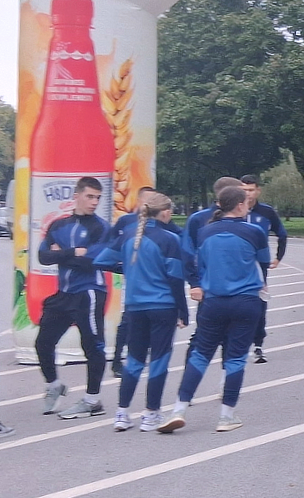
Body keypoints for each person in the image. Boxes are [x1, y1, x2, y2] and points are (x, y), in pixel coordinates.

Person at [163, 184, 269, 435]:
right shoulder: (254, 232)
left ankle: (179, 408)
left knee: (200, 354)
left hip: (213, 301)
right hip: (245, 301)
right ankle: (226, 415)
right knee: (235, 358)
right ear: (241, 205)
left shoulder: (205, 232)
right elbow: (263, 262)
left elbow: (198, 262)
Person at [93, 190, 189, 432]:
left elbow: (101, 261)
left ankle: (122, 413)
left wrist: (129, 270)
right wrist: (183, 310)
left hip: (135, 306)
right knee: (159, 360)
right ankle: (151, 413)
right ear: (166, 212)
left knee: (134, 360)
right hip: (163, 306)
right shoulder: (169, 240)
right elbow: (176, 279)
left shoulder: (127, 236)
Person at [36, 177, 111, 419]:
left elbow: (92, 261)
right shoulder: (58, 225)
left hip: (89, 292)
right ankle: (54, 385)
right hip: (64, 294)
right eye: (90, 196)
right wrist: (72, 253)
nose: (94, 202)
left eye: (98, 197)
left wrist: (61, 254)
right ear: (76, 196)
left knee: (92, 346)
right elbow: (43, 257)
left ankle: (92, 400)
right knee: (43, 342)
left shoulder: (100, 227)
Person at [108, 186, 176, 377]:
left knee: (146, 321)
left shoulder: (164, 225)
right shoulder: (126, 222)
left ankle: (144, 357)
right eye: (147, 200)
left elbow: (180, 243)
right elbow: (110, 247)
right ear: (139, 202)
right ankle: (117, 359)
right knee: (126, 321)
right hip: (133, 282)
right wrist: (125, 268)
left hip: (156, 285)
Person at [242, 173, 289, 364]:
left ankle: (258, 345)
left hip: (259, 267)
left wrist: (278, 258)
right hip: (235, 265)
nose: (247, 194)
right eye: (243, 190)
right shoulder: (231, 211)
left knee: (259, 304)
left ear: (258, 190)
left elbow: (282, 234)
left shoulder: (267, 212)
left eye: (251, 190)